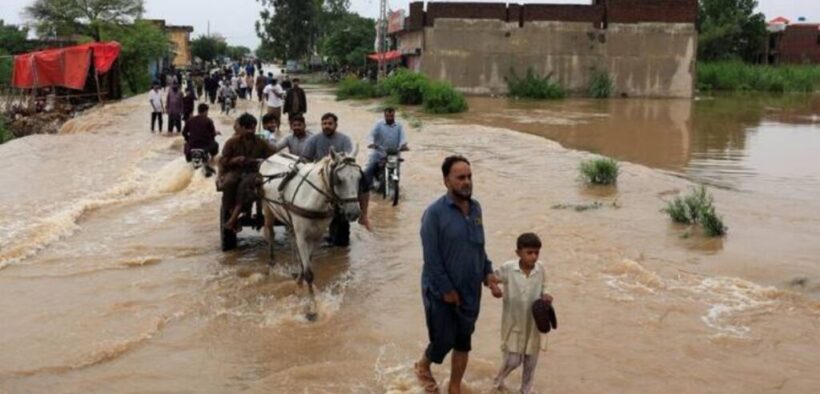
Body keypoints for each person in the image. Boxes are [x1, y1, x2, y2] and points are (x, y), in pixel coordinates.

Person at [415, 155, 499, 394]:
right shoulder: (434, 214)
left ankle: (454, 387)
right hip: (440, 292)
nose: (467, 182)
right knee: (443, 341)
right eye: (460, 177)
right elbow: (431, 259)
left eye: (469, 176)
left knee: (464, 340)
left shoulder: (476, 208)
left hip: (470, 290)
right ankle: (423, 365)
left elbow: (478, 246)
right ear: (446, 181)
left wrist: (488, 273)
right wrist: (447, 291)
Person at [490, 233, 552, 394]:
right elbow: (491, 278)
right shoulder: (509, 268)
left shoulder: (541, 269)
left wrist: (547, 295)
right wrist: (494, 288)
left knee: (530, 363)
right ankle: (497, 382)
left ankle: (526, 390)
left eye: (536, 253)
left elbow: (546, 286)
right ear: (518, 252)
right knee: (513, 360)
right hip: (514, 323)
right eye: (529, 252)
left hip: (533, 324)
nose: (533, 256)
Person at [301, 113, 372, 245]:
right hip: (320, 176)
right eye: (324, 123)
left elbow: (348, 158)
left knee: (363, 179)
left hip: (340, 173)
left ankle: (364, 216)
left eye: (329, 123)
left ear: (335, 125)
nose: (327, 126)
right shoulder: (313, 140)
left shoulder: (344, 139)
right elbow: (305, 160)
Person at [218, 113, 276, 232]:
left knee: (244, 186)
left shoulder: (261, 142)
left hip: (253, 173)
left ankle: (232, 220)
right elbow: (223, 160)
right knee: (229, 182)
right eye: (248, 128)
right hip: (235, 171)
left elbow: (272, 157)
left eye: (253, 128)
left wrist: (261, 161)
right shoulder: (231, 142)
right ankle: (231, 214)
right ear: (242, 128)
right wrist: (235, 160)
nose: (251, 131)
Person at [363, 107, 408, 191]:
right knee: (368, 170)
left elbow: (403, 138)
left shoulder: (399, 126)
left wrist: (403, 145)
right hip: (379, 153)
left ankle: (395, 187)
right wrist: (371, 143)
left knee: (396, 172)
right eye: (388, 116)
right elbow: (371, 135)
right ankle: (366, 189)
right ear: (384, 115)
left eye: (392, 116)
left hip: (394, 153)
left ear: (394, 115)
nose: (390, 118)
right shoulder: (378, 124)